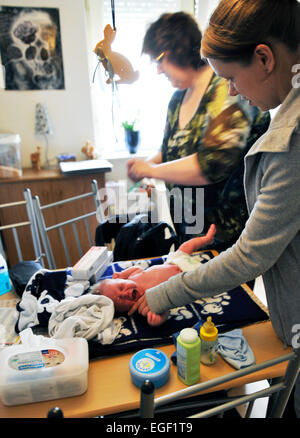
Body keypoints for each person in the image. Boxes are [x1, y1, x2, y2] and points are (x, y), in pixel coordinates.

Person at [131, 0, 300, 417]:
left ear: (263, 58)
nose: (234, 90)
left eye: (231, 77)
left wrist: (162, 292)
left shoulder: (289, 141)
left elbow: (250, 254)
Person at [127, 11, 270, 252]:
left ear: (179, 49)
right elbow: (171, 150)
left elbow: (210, 165)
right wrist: (145, 166)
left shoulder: (228, 89)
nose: (159, 70)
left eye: (159, 59)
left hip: (227, 240)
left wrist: (151, 170)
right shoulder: (177, 99)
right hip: (189, 232)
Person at [92, 224, 216, 326]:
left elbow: (136, 268)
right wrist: (159, 319)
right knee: (209, 277)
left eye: (120, 287)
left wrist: (123, 273)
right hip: (187, 278)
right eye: (121, 299)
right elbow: (165, 309)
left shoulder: (132, 277)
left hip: (172, 262)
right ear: (126, 311)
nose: (125, 293)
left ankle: (206, 239)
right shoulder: (145, 302)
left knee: (185, 246)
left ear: (118, 279)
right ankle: (220, 269)